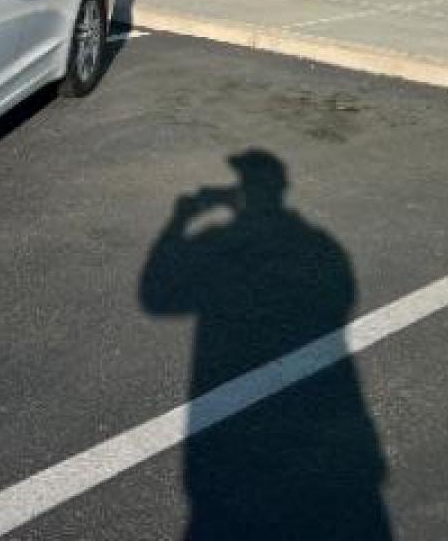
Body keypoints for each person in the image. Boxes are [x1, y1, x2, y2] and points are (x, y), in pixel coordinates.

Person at [139, 150, 391, 540]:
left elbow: (156, 298)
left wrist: (180, 219)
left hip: (233, 458)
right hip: (333, 433)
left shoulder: (222, 242)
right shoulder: (321, 244)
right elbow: (341, 295)